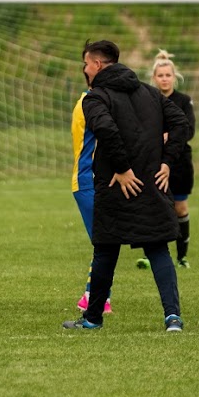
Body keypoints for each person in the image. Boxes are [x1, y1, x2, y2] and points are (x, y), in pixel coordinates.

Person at [63, 40, 190, 333]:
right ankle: (173, 318)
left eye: (86, 64)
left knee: (105, 251)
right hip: (151, 183)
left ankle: (93, 319)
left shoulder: (95, 98)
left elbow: (106, 129)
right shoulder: (150, 93)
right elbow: (180, 123)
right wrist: (167, 162)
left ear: (97, 64)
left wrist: (122, 168)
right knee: (157, 248)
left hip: (115, 184)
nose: (85, 69)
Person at [147, 50, 195, 268]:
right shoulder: (148, 100)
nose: (164, 79)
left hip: (179, 163)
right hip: (154, 161)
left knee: (180, 208)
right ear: (154, 78)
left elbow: (189, 130)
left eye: (168, 75)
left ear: (174, 77)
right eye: (160, 75)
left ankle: (181, 257)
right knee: (155, 208)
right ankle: (153, 255)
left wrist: (168, 136)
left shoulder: (184, 101)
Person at [69, 85, 111, 316]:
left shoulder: (90, 100)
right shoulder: (91, 103)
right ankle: (94, 298)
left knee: (106, 241)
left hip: (93, 180)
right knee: (105, 242)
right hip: (89, 180)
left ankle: (93, 296)